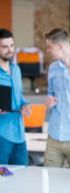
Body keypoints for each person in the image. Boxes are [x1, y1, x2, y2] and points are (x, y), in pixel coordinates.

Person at [43, 28, 70, 168]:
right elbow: (51, 93)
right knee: (48, 177)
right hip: (54, 134)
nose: (47, 50)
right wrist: (49, 100)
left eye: (49, 46)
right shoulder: (53, 68)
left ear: (60, 46)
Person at [0, 28, 32, 165]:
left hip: (20, 135)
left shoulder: (16, 70)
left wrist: (27, 105)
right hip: (2, 135)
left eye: (12, 45)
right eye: (5, 47)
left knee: (22, 177)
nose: (10, 50)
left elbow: (19, 97)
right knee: (2, 179)